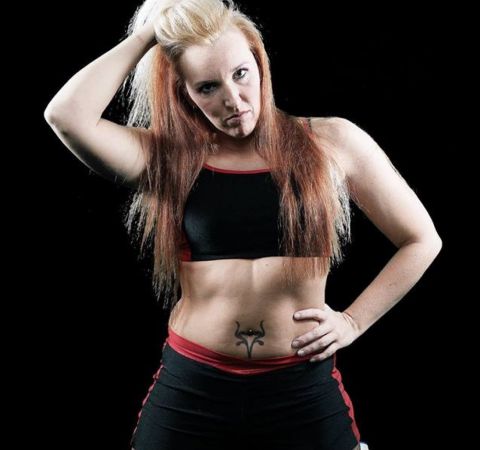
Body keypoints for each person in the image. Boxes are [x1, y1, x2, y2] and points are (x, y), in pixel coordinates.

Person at [44, 1, 442, 449]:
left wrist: (352, 321)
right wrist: (150, 34)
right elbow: (66, 116)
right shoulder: (170, 159)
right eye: (207, 87)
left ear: (259, 62)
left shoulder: (331, 142)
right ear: (184, 92)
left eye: (240, 74)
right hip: (193, 384)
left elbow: (421, 239)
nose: (233, 101)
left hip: (300, 387)